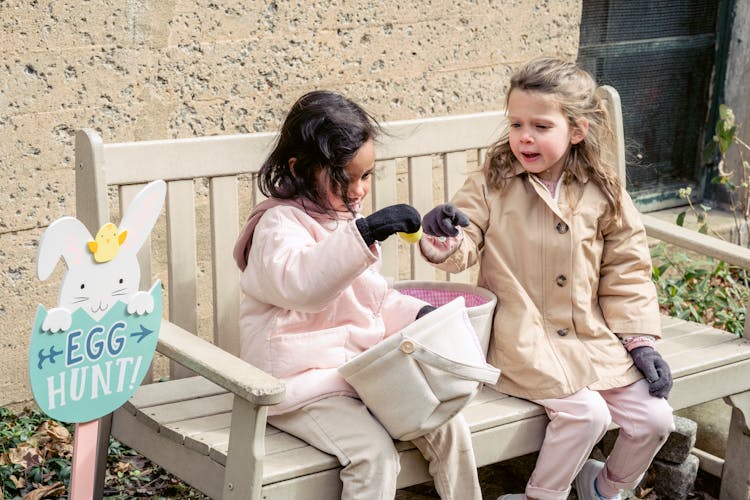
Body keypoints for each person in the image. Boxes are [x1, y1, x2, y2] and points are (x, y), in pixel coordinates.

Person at [419, 57, 675, 500]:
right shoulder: (491, 184)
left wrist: (639, 340)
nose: (524, 137)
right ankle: (544, 496)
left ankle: (602, 488)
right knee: (587, 415)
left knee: (656, 420)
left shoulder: (604, 191)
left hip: (591, 339)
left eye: (540, 125)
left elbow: (627, 270)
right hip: (522, 339)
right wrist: (443, 236)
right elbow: (464, 243)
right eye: (516, 123)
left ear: (576, 130)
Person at [232, 90, 482, 500]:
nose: (358, 191)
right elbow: (305, 286)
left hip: (359, 373)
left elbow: (374, 300)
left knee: (447, 424)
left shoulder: (343, 220)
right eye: (343, 178)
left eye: (365, 176)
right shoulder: (278, 226)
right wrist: (365, 233)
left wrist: (419, 315)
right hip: (298, 385)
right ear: (299, 169)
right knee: (373, 455)